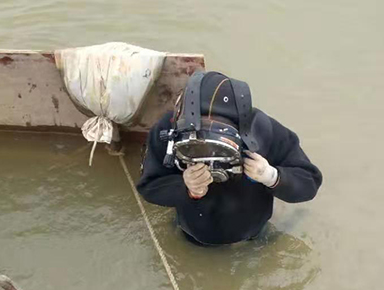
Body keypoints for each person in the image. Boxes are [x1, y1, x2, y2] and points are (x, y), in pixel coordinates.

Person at [137, 71, 322, 246]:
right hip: (195, 233)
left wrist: (272, 176)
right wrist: (186, 188)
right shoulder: (168, 130)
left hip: (252, 231)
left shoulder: (264, 129)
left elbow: (309, 181)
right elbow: (149, 186)